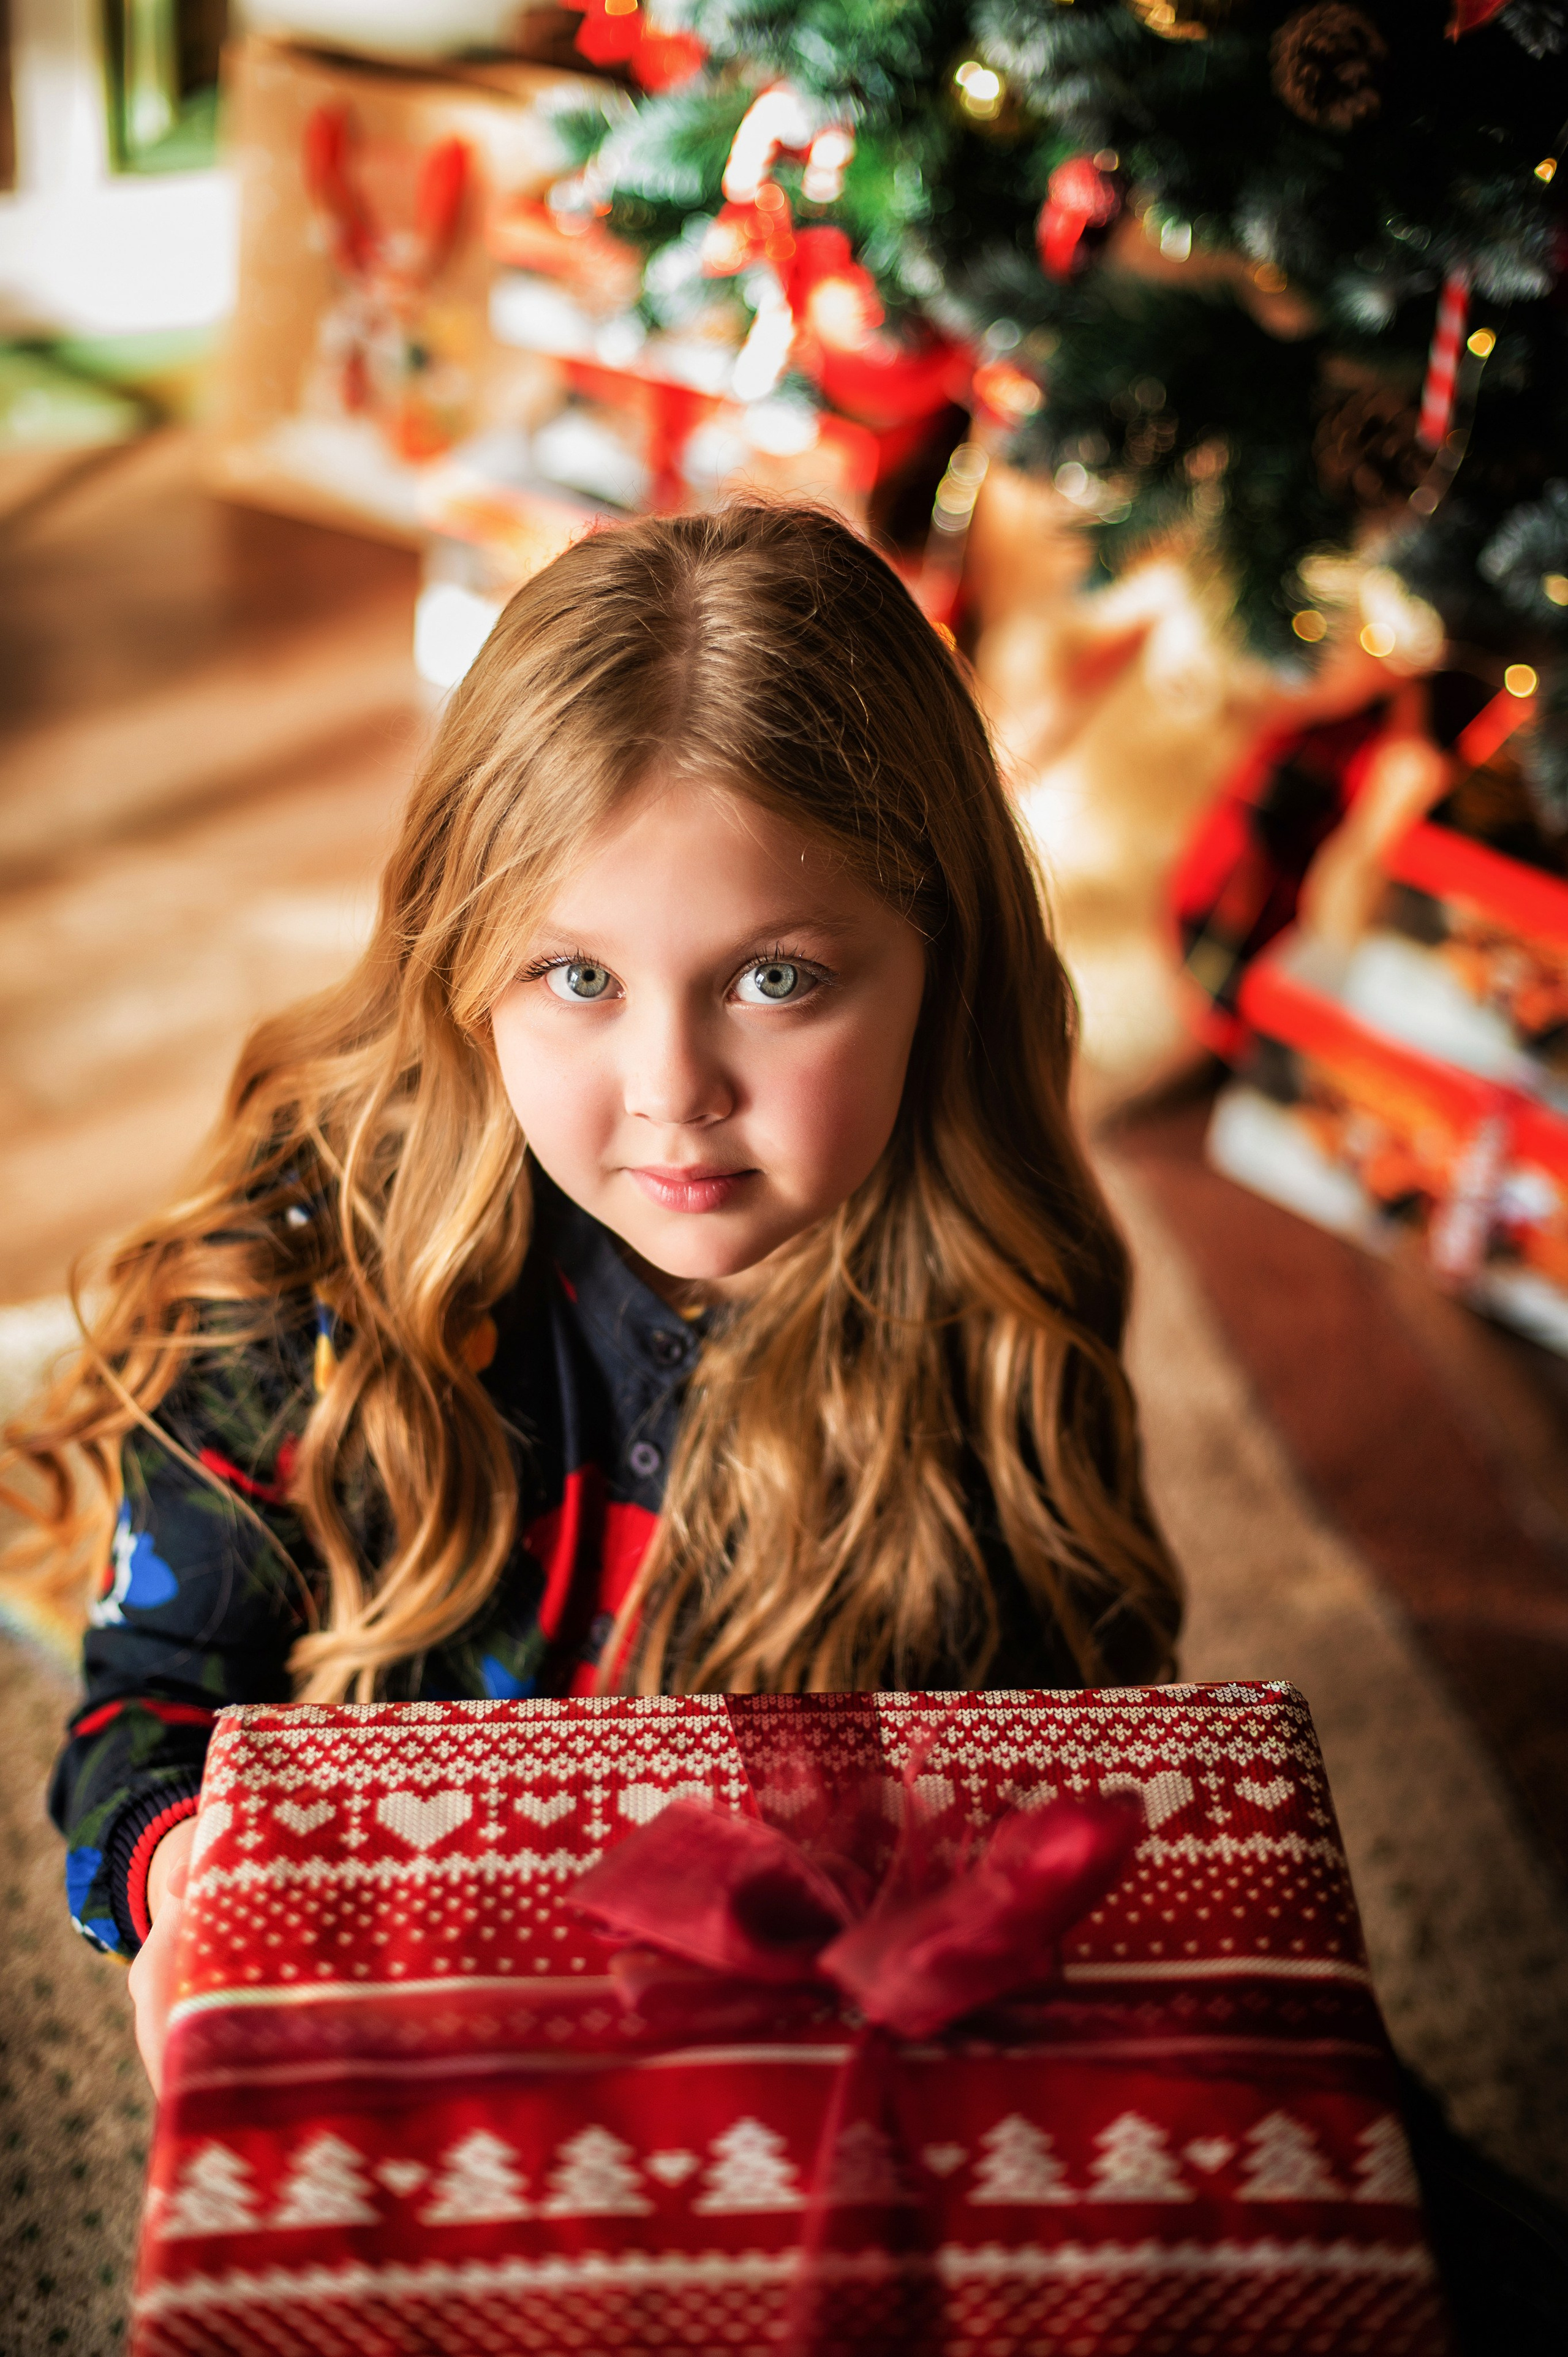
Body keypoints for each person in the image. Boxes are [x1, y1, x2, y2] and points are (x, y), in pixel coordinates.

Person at [5, 502, 1182, 2093]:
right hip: (397, 2002)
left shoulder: (999, 1309)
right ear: (463, 958)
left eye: (777, 979)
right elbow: (145, 1718)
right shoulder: (316, 1254)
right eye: (577, 978)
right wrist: (196, 1884)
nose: (672, 1089)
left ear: (941, 964)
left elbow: (1064, 1768)